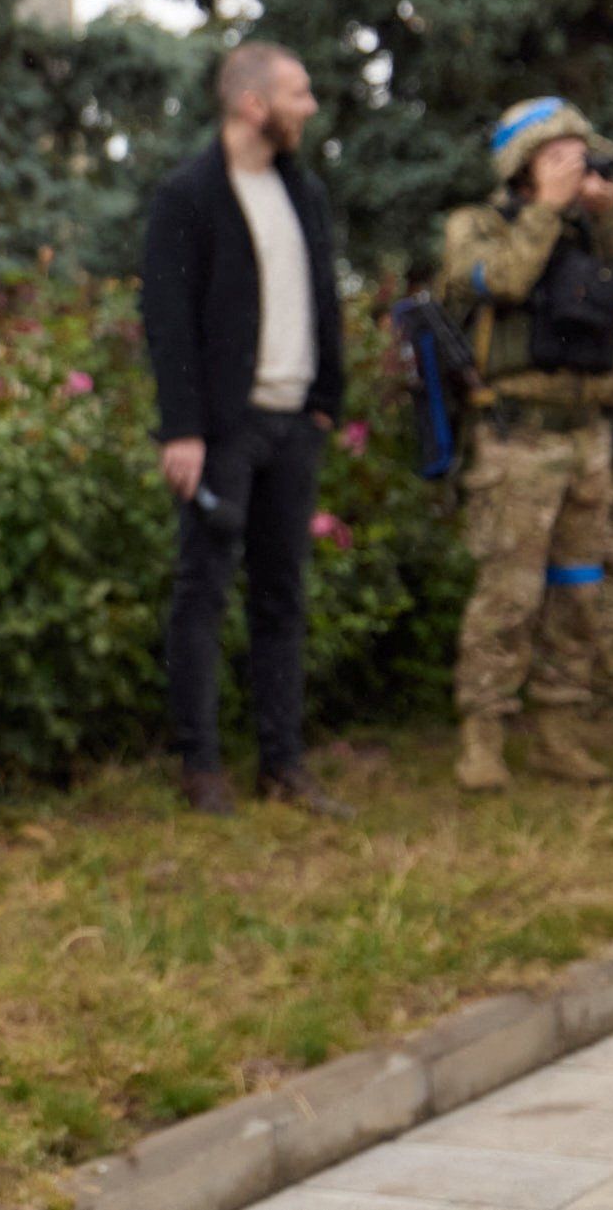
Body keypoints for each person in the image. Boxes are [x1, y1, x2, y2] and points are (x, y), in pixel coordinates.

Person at [441, 100, 613, 792]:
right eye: (560, 156)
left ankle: (558, 732)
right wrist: (547, 206)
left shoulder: (594, 234)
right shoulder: (478, 225)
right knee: (507, 595)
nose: (577, 170)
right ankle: (482, 735)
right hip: (516, 435)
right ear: (524, 164)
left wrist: (611, 221)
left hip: (588, 439)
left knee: (578, 594)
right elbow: (506, 279)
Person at [139, 43, 348, 819]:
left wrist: (326, 398)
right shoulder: (187, 196)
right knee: (203, 593)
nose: (310, 106)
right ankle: (200, 767)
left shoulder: (305, 194)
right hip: (223, 433)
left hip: (295, 426)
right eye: (298, 93)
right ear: (253, 105)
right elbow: (167, 321)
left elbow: (323, 296)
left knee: (282, 597)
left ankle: (282, 765)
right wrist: (183, 429)